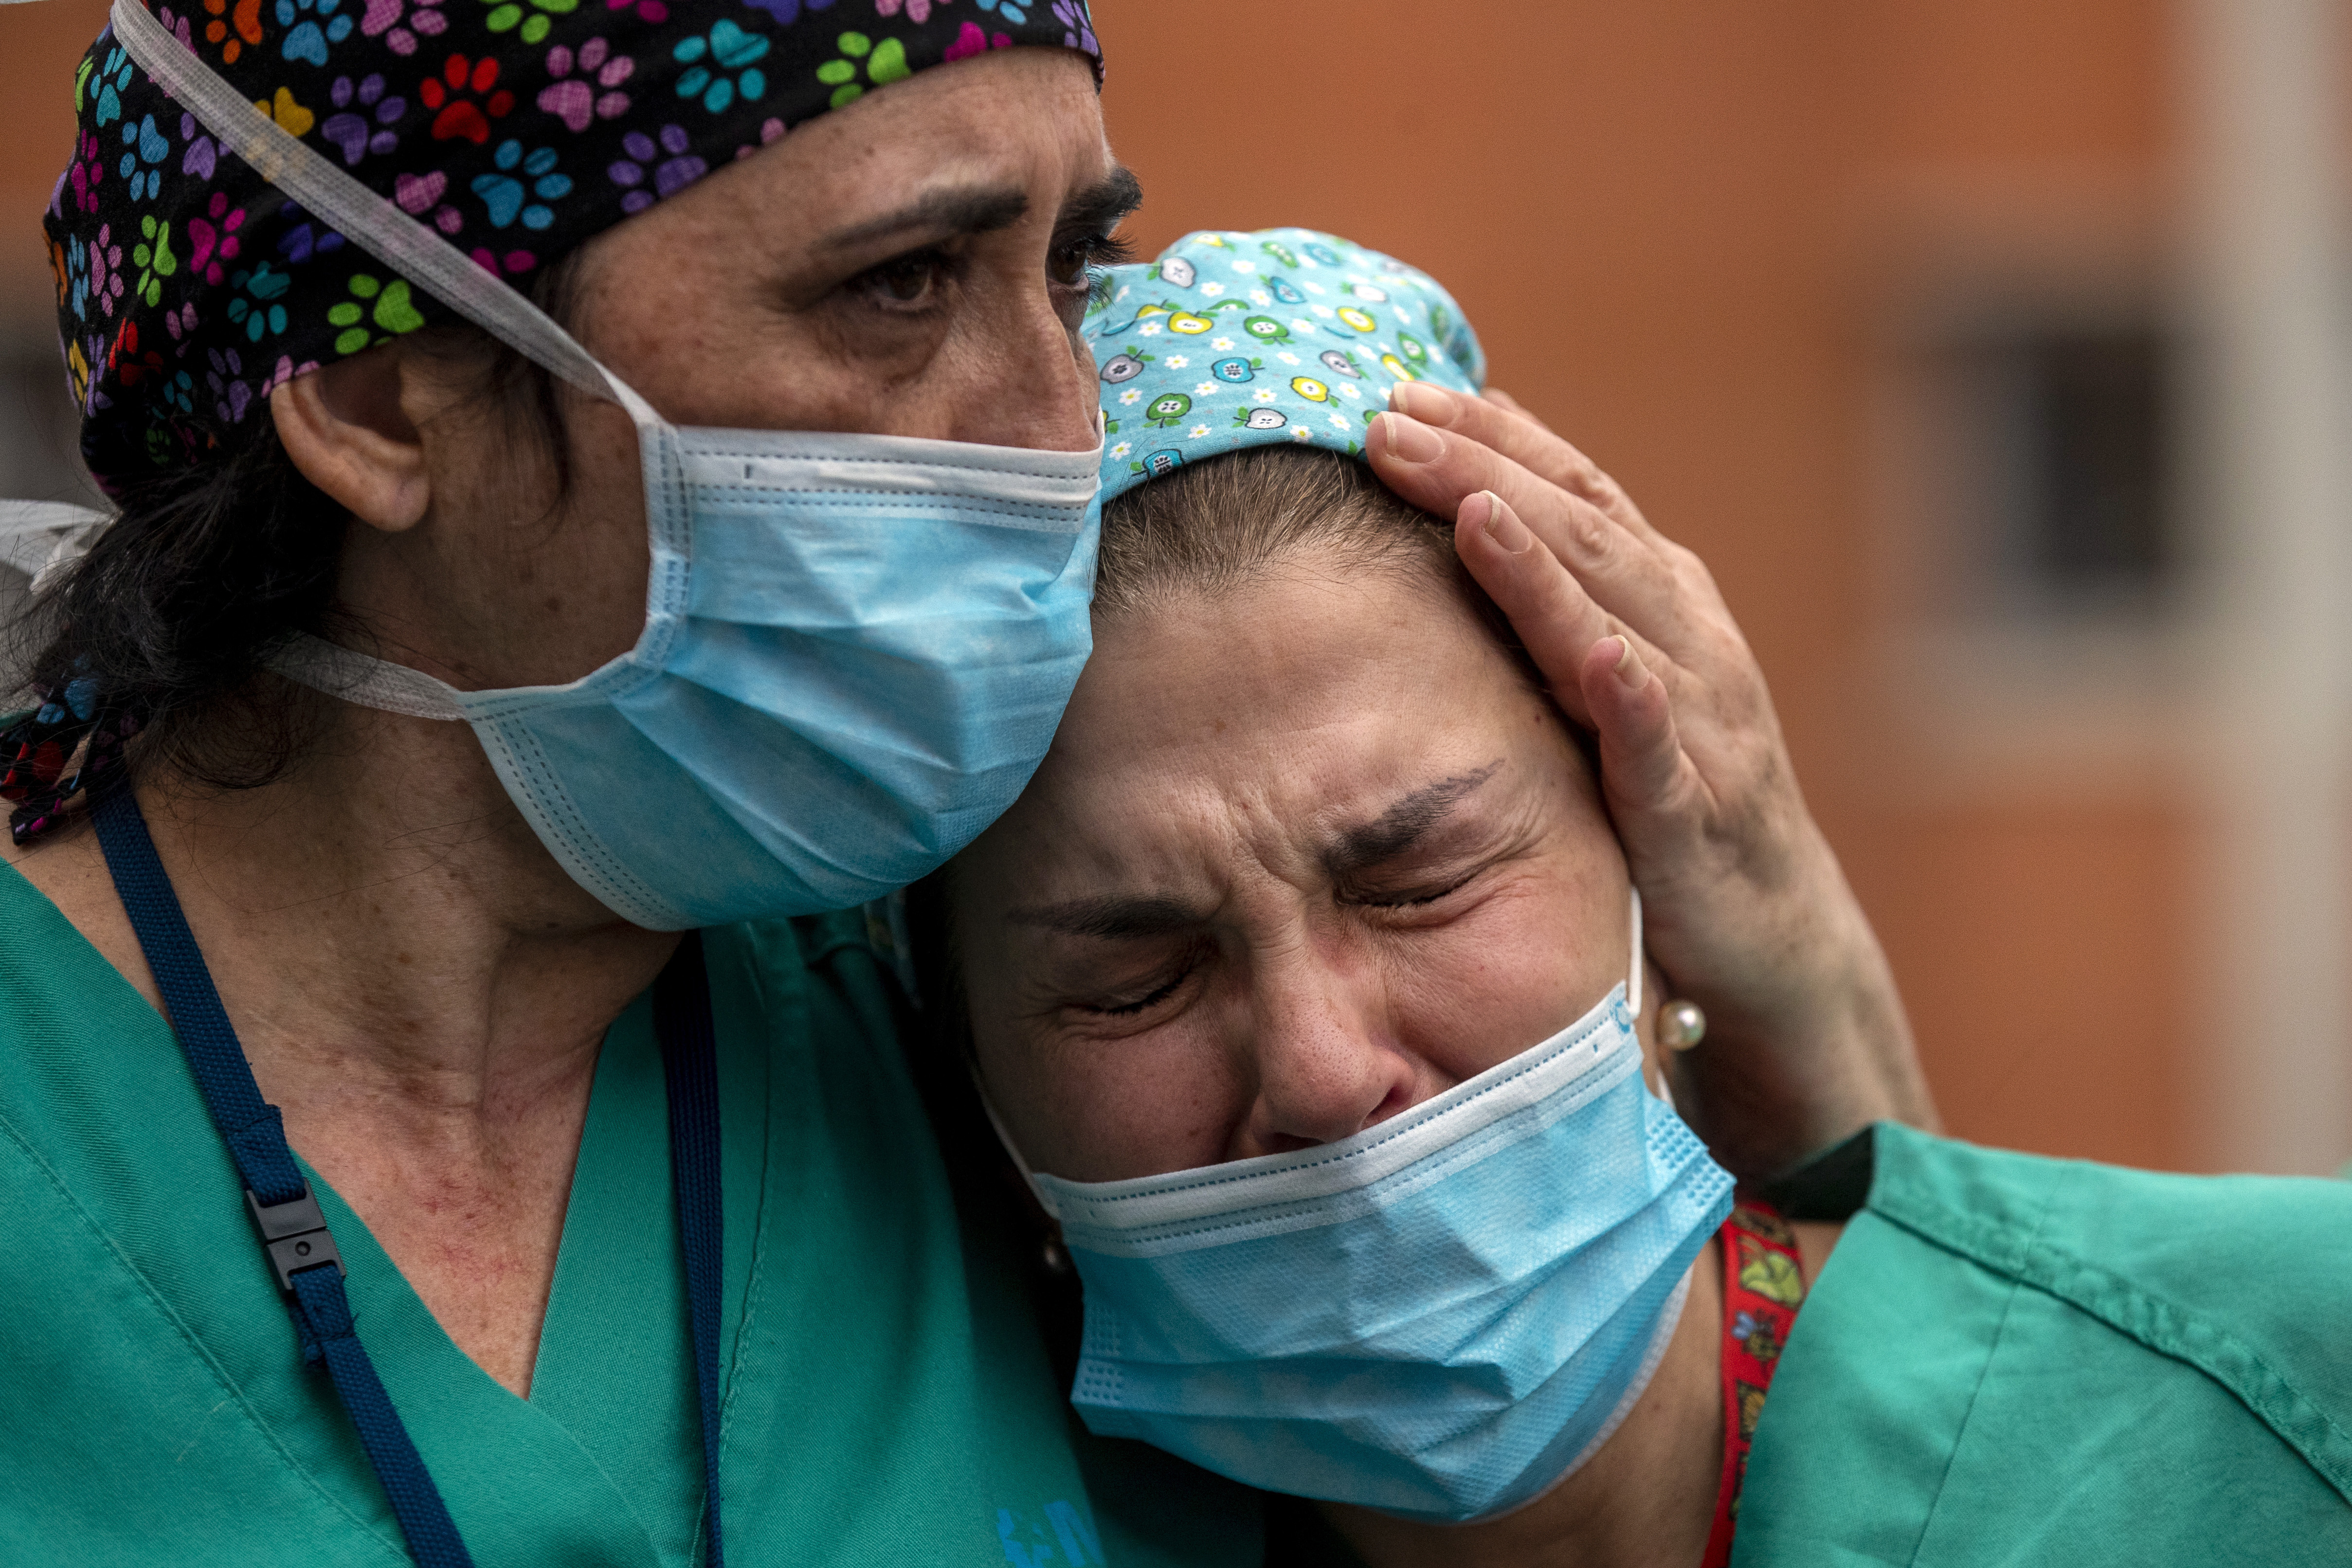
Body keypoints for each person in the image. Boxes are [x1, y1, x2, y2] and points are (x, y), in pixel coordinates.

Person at [0, 5, 1928, 1565]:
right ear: (376, 397)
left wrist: (1805, 994)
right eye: (905, 285)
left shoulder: (983, 992)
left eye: (1073, 264)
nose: (1061, 421)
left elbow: (1827, 1477)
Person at [920, 229, 2352, 1568]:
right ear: (969, 1068)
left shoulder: (2287, 1391)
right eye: (1137, 982)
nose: (1318, 1068)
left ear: (1642, 848)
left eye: (1417, 883)